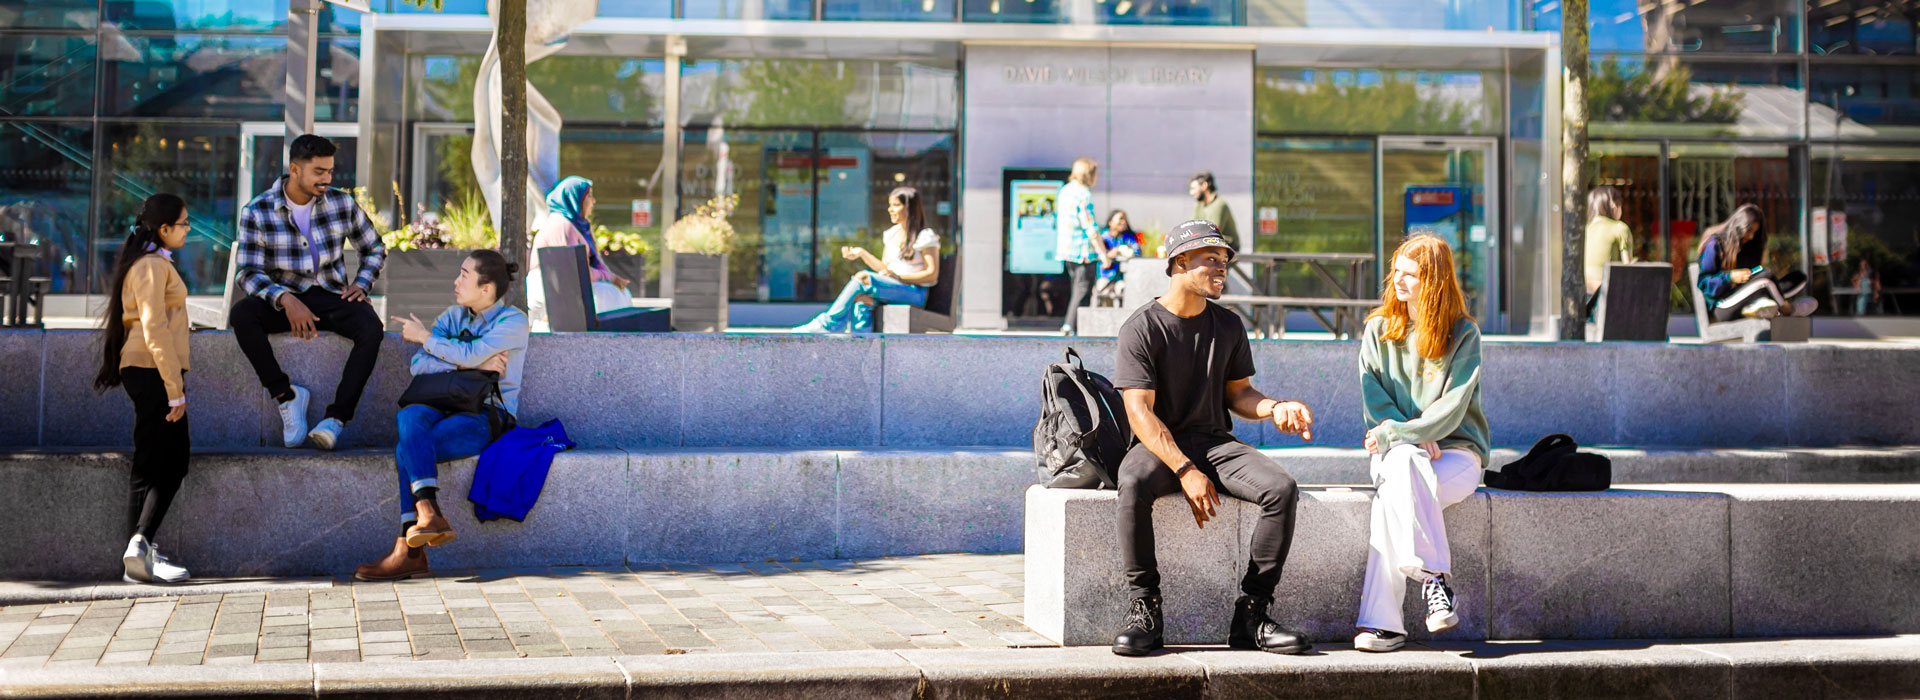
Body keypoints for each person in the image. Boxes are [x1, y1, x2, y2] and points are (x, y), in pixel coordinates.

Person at [1111, 219, 1316, 658]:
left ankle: (1253, 614)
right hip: (1158, 445)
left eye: (1225, 261)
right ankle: (1144, 606)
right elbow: (1139, 412)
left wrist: (1274, 407)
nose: (1222, 268)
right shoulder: (1141, 328)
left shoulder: (1228, 325)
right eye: (1212, 259)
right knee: (1131, 483)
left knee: (1281, 489)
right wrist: (1185, 470)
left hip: (1215, 442)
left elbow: (1239, 393)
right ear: (1179, 261)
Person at [1351, 235, 1490, 653]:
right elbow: (1373, 399)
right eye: (1397, 271)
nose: (1398, 280)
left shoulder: (1464, 335)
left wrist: (1410, 433)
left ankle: (1384, 625)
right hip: (1393, 452)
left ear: (1434, 281)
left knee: (1393, 493)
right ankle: (1434, 579)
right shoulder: (1378, 330)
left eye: (1410, 274)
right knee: (1403, 467)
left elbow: (1452, 408)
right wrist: (1410, 437)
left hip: (1458, 454)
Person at [355, 250, 530, 582]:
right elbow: (419, 365)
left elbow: (467, 351)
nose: (456, 281)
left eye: (464, 275)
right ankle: (428, 513)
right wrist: (472, 363)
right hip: (442, 404)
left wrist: (427, 338)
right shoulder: (452, 317)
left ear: (487, 288)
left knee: (407, 448)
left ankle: (410, 549)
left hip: (485, 415)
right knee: (410, 417)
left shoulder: (513, 322)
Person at [230, 134, 387, 451]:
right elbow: (247, 273)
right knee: (242, 315)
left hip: (330, 295)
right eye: (319, 171)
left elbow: (374, 247)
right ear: (294, 169)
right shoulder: (258, 211)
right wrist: (286, 300)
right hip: (282, 297)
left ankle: (336, 420)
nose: (327, 179)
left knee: (371, 327)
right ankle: (286, 396)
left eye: (330, 171)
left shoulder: (341, 204)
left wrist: (362, 283)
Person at [95, 194, 196, 584]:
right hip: (154, 370)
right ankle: (141, 542)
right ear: (164, 229)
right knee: (175, 461)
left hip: (145, 369)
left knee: (149, 461)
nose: (189, 229)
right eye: (184, 223)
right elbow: (154, 327)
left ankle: (136, 557)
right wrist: (175, 388)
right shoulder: (153, 266)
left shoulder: (145, 263)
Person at [792, 187, 941, 334]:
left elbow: (932, 274)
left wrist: (899, 277)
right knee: (863, 300)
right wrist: (862, 253)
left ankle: (829, 323)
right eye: (890, 205)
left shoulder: (925, 236)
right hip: (893, 288)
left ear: (910, 208)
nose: (890, 209)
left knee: (864, 277)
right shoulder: (891, 234)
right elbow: (884, 269)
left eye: (896, 205)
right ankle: (861, 346)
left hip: (913, 293)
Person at [528, 176, 631, 321]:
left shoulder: (576, 226)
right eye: (589, 196)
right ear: (575, 199)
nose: (593, 201)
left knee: (616, 293)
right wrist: (611, 278)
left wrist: (611, 278)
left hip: (565, 288)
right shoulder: (561, 225)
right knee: (608, 293)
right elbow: (573, 271)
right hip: (552, 292)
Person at [1696, 204, 1815, 321]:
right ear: (1739, 226)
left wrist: (1752, 274)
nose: (1751, 236)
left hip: (1741, 296)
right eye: (1749, 231)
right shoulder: (1715, 245)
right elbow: (1703, 283)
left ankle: (1765, 304)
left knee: (1796, 278)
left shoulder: (1744, 246)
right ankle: (1788, 310)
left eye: (1755, 233)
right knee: (1766, 277)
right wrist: (1730, 277)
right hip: (1721, 306)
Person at [1056, 158, 1108, 336]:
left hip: (1067, 250)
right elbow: (1090, 227)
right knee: (1083, 289)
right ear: (1089, 174)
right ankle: (1070, 327)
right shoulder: (1083, 194)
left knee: (1076, 287)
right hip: (1083, 251)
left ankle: (1073, 327)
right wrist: (1103, 254)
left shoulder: (1065, 190)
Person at [1581, 185, 1635, 314]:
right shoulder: (1620, 228)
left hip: (1583, 291)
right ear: (1613, 205)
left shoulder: (1584, 229)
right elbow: (1628, 269)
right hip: (1606, 291)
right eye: (1620, 204)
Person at [1094, 210, 1141, 307]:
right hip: (1105, 277)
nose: (1123, 222)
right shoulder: (1102, 237)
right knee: (1103, 290)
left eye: (1124, 219)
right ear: (1110, 222)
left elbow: (1137, 253)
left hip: (1121, 278)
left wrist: (1123, 250)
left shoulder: (1129, 238)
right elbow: (1096, 253)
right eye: (1120, 219)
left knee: (1123, 289)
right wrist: (1109, 254)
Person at [1190, 171, 1239, 250]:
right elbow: (1193, 228)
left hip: (1228, 247)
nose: (1191, 192)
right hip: (1208, 245)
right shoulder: (1199, 206)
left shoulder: (1219, 205)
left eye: (1194, 188)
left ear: (1204, 186)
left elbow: (1212, 233)